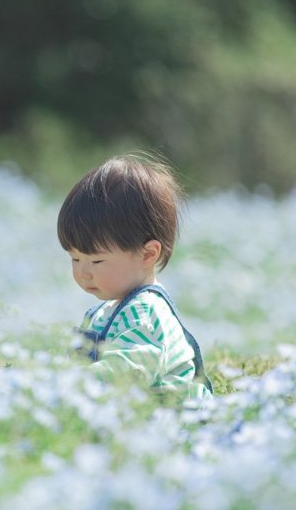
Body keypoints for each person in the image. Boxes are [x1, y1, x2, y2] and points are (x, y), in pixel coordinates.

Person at [56, 153, 213, 400]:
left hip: (168, 419)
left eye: (96, 261)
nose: (82, 272)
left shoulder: (145, 312)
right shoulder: (106, 310)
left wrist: (65, 384)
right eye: (75, 259)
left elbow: (127, 374)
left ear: (147, 254)